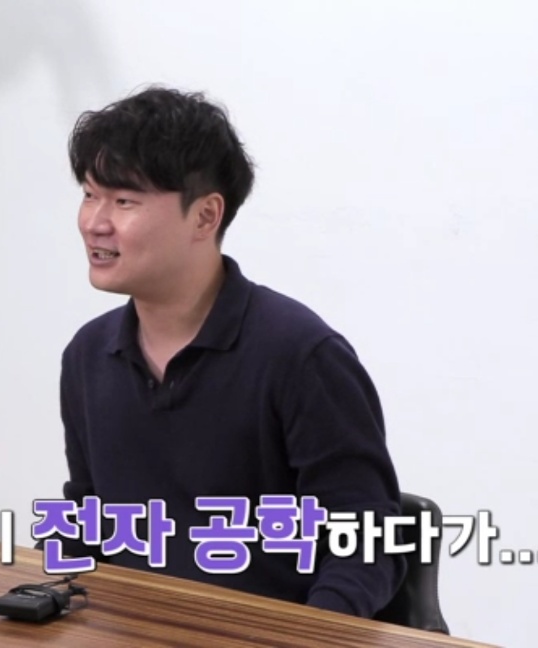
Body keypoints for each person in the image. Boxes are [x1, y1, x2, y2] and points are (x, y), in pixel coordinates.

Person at [45, 85, 406, 619]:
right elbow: (88, 519)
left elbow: (367, 543)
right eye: (89, 194)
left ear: (205, 216)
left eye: (124, 201)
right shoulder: (88, 355)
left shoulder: (301, 356)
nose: (96, 221)